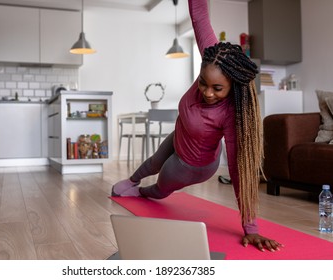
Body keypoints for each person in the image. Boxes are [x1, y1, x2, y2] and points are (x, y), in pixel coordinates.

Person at [112, 0, 282, 252]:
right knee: (152, 162)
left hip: (193, 165)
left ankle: (144, 192)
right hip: (180, 135)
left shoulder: (229, 115)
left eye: (217, 89)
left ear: (231, 87)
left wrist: (251, 228)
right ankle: (133, 181)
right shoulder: (213, 59)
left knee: (160, 187)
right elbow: (200, 16)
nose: (207, 92)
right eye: (203, 83)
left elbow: (237, 169)